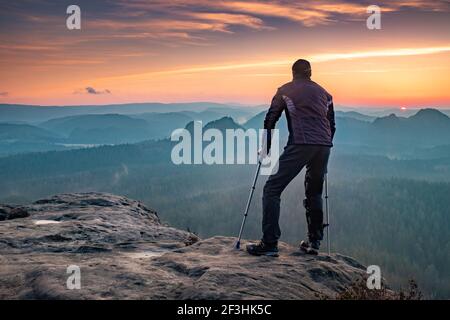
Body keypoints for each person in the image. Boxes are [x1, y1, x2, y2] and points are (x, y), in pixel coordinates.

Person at [247, 59, 336, 257]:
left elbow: (271, 118)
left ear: (293, 73)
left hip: (301, 143)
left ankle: (269, 243)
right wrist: (325, 147)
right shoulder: (325, 94)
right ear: (310, 73)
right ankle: (314, 242)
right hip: (323, 146)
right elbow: (331, 125)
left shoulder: (285, 90)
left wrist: (265, 148)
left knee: (272, 188)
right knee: (314, 193)